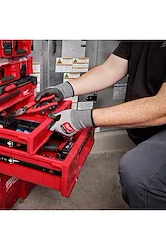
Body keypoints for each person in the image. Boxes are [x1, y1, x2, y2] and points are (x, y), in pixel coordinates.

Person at [35, 41, 166, 209]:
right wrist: (65, 88)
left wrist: (81, 118)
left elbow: (162, 108)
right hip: (147, 130)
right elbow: (110, 68)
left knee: (140, 173)